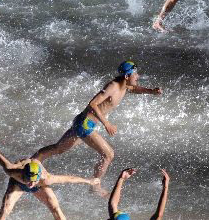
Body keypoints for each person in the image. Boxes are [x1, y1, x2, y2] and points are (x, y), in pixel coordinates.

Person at [32, 61, 162, 197]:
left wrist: (151, 91)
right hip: (85, 124)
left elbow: (133, 89)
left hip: (82, 122)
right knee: (108, 154)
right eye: (135, 74)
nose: (138, 76)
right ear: (126, 76)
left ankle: (33, 160)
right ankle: (95, 186)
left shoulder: (125, 86)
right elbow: (93, 103)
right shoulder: (113, 86)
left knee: (58, 148)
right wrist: (107, 124)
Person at [0, 130, 100, 220]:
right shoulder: (13, 171)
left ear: (38, 178)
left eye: (33, 181)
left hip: (39, 185)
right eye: (28, 180)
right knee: (5, 210)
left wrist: (89, 181)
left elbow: (68, 179)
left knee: (56, 208)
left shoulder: (46, 178)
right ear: (23, 174)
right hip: (18, 184)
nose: (30, 184)